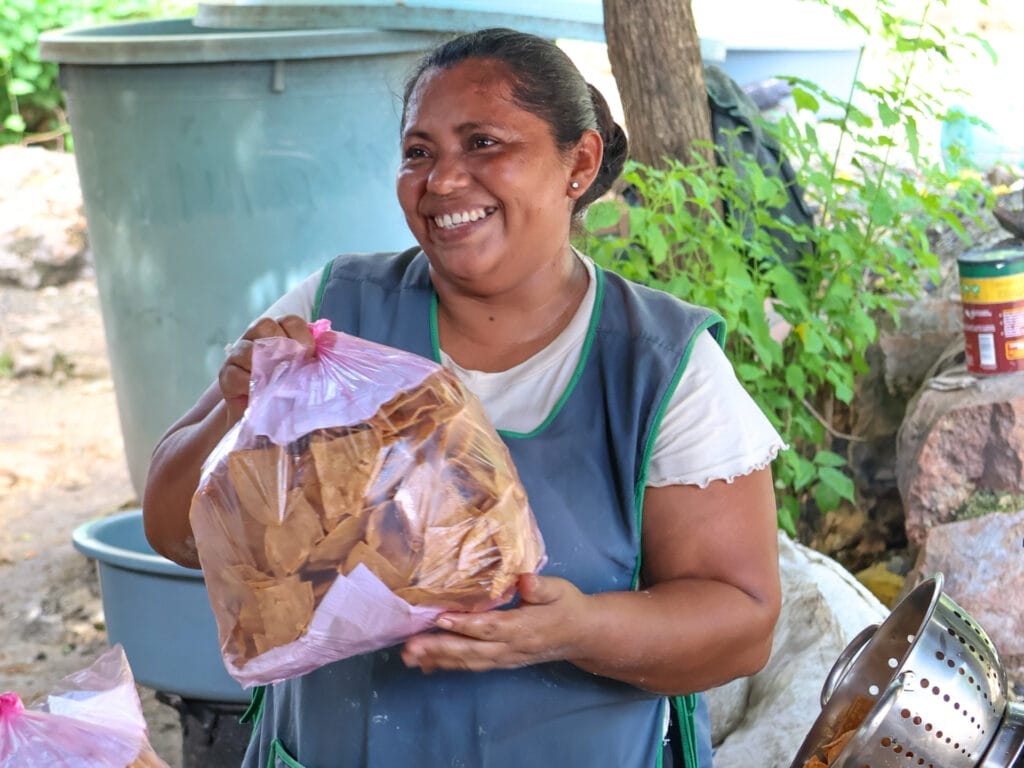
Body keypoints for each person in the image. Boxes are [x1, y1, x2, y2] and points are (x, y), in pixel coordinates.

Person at [142, 27, 784, 768]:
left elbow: (742, 623)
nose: (443, 181)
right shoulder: (331, 319)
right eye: (420, 152)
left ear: (579, 161)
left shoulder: (661, 369)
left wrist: (576, 629)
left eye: (484, 143)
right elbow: (173, 531)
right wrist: (238, 410)